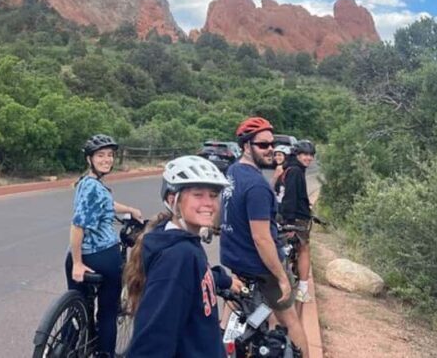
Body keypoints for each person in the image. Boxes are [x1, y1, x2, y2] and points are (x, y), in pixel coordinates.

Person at [125, 156, 242, 358]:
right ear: (173, 200)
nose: (208, 203)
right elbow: (152, 341)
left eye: (213, 195)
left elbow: (192, 278)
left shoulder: (183, 241)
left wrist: (225, 280)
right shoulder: (178, 257)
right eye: (198, 195)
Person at [220, 117, 309, 357]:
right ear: (246, 146)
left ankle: (228, 336)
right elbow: (262, 239)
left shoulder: (233, 171)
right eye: (262, 145)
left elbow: (225, 211)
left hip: (235, 259)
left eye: (272, 144)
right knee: (290, 320)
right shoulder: (257, 186)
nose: (270, 149)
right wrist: (281, 277)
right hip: (260, 266)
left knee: (245, 307)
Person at [66, 134, 143, 357]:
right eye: (100, 155)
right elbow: (77, 226)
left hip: (75, 256)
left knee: (76, 309)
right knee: (108, 312)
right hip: (102, 257)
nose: (107, 159)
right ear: (89, 159)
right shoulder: (93, 188)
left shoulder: (86, 183)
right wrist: (79, 263)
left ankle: (66, 347)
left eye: (110, 155)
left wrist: (130, 209)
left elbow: (106, 203)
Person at [277, 140, 316, 305]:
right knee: (304, 250)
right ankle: (303, 290)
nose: (309, 158)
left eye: (311, 155)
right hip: (296, 218)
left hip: (284, 214)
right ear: (297, 155)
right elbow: (290, 197)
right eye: (305, 154)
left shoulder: (288, 168)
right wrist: (290, 222)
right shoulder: (296, 171)